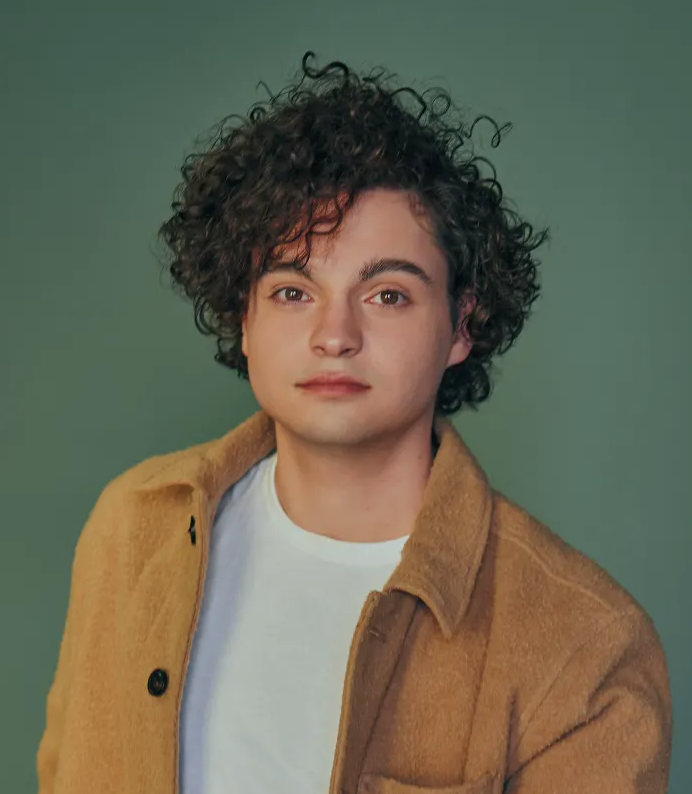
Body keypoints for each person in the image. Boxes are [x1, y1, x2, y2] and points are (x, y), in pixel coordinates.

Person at [36, 52, 672, 794]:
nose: (333, 335)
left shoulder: (586, 643)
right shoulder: (132, 527)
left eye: (388, 295)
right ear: (242, 319)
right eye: (292, 291)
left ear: (462, 323)